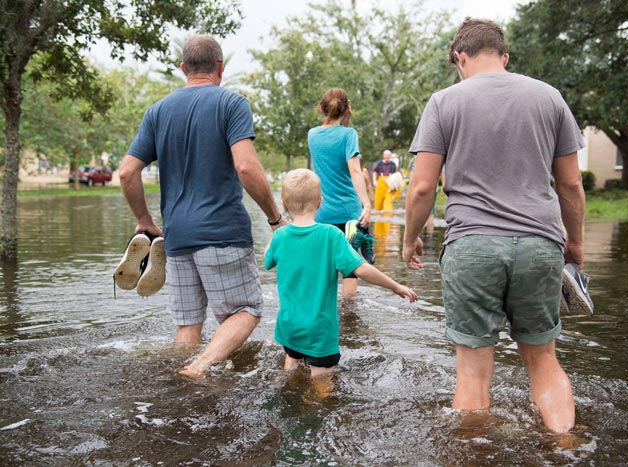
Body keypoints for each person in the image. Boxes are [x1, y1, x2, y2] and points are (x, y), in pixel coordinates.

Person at [402, 18, 587, 434]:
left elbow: (422, 188)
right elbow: (571, 183)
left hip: (472, 245)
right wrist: (574, 244)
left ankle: (475, 456)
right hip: (541, 244)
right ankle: (566, 449)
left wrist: (409, 240)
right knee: (543, 361)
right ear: (504, 57)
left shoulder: (444, 101)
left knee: (472, 375)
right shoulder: (550, 97)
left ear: (459, 58)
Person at [119, 35, 286, 378]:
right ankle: (201, 366)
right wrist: (274, 217)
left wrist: (144, 220)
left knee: (188, 325)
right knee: (246, 309)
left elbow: (126, 173)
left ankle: (184, 393)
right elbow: (246, 167)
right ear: (220, 69)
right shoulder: (231, 104)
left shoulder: (158, 111)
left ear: (184, 69)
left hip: (176, 236)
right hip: (222, 232)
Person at [264, 169, 417, 382]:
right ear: (320, 202)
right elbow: (361, 269)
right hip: (319, 331)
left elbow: (267, 260)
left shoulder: (280, 236)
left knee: (291, 360)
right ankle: (315, 410)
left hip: (289, 325)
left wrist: (277, 234)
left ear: (284, 204)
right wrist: (395, 286)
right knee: (322, 382)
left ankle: (288, 393)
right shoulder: (331, 235)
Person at [308, 88, 373, 293]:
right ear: (347, 109)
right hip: (348, 212)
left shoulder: (313, 134)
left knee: (325, 268)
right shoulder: (348, 134)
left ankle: (326, 313)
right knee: (350, 270)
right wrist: (367, 203)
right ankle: (349, 321)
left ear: (322, 107)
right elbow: (355, 170)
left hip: (321, 212)